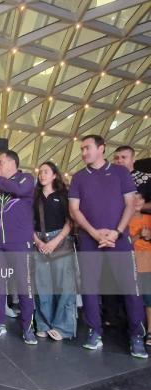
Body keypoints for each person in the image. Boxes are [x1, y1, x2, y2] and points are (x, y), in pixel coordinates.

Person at [69, 135, 147, 358]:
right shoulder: (78, 177)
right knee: (90, 288)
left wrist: (116, 232)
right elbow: (74, 210)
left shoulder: (120, 173)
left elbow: (130, 204)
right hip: (89, 240)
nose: (84, 152)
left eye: (87, 148)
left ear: (101, 148)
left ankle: (136, 336)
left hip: (118, 239)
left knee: (130, 287)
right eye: (82, 149)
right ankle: (94, 332)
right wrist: (94, 233)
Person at [0, 150, 36, 344]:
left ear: (11, 163)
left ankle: (27, 327)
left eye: (0, 162)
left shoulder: (26, 179)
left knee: (24, 285)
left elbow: (19, 191)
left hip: (20, 242)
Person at [32, 162, 77, 341]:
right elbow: (28, 222)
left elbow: (70, 221)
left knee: (64, 287)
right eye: (40, 172)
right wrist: (37, 241)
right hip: (39, 241)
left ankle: (63, 327)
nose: (42, 175)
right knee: (42, 286)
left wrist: (55, 241)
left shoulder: (63, 194)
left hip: (61, 241)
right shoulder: (34, 196)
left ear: (54, 175)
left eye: (46, 172)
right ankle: (43, 324)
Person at [128, 193, 151, 346]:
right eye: (133, 197)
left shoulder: (149, 218)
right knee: (134, 298)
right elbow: (123, 243)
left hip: (147, 260)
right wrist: (139, 235)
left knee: (148, 297)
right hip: (130, 261)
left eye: (140, 198)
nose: (137, 201)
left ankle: (149, 331)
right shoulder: (123, 220)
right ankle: (136, 329)